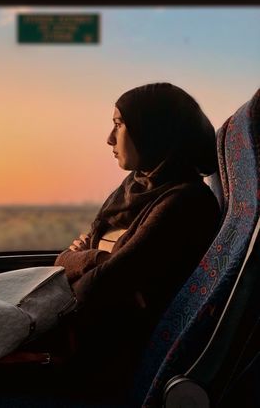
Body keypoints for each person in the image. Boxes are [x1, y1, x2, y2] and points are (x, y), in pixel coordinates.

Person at [54, 82, 221, 401]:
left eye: (118, 124)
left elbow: (98, 287)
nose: (108, 138)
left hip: (107, 356)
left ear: (153, 129)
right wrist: (96, 258)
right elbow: (76, 259)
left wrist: (86, 259)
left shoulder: (185, 202)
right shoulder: (132, 189)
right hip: (86, 335)